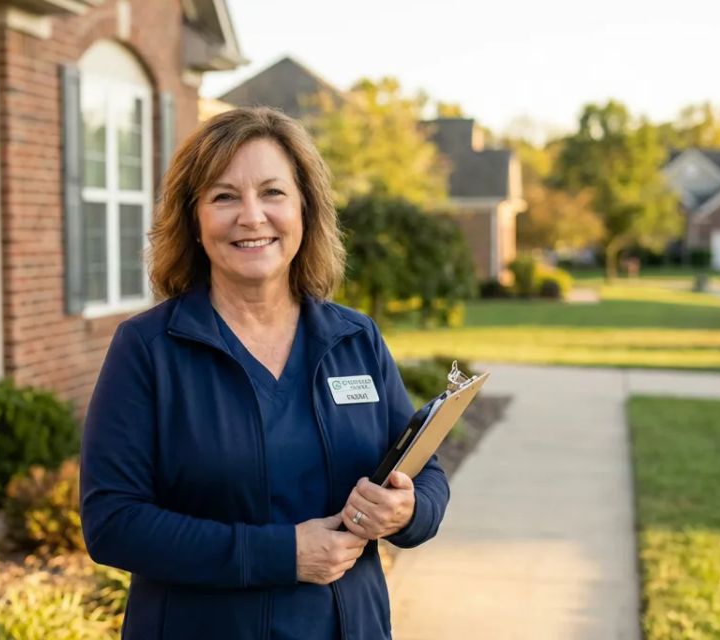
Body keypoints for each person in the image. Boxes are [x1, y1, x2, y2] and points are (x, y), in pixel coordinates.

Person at [80, 107, 450, 640]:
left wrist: (408, 510)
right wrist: (282, 555)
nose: (252, 217)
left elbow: (426, 471)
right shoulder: (148, 350)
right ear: (193, 219)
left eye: (273, 193)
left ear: (305, 209)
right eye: (224, 196)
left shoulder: (354, 338)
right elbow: (112, 523)